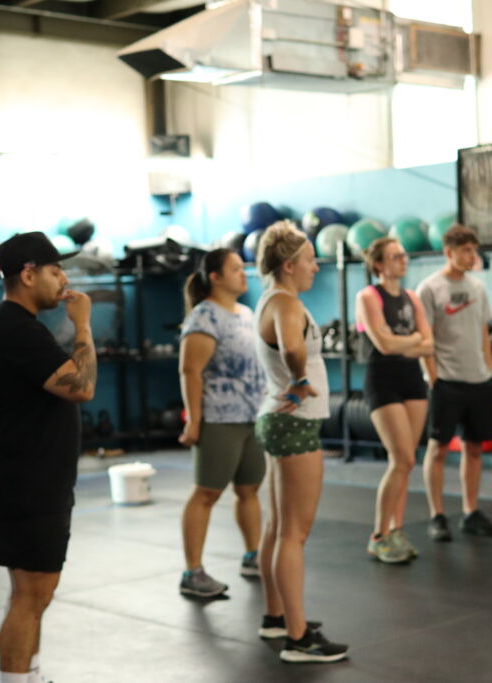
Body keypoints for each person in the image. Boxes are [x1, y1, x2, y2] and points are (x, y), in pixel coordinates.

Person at [0, 231, 96, 683]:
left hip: (37, 481)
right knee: (31, 594)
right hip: (25, 485)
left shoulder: (21, 326)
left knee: (36, 593)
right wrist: (83, 324)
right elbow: (82, 386)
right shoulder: (13, 327)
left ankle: (31, 675)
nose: (63, 279)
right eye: (54, 270)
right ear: (28, 274)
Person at [252, 221, 348, 664]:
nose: (316, 267)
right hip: (293, 424)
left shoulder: (271, 299)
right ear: (289, 265)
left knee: (277, 528)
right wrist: (300, 380)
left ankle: (276, 616)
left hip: (277, 421)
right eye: (310, 260)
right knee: (295, 534)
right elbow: (292, 347)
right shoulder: (287, 304)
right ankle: (298, 638)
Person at [177, 248, 267, 598]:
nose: (243, 273)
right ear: (214, 277)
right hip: (218, 418)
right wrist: (194, 422)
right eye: (235, 268)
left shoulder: (245, 313)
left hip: (251, 417)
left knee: (249, 490)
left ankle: (253, 555)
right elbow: (190, 371)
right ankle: (192, 572)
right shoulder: (204, 317)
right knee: (206, 494)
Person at [416, 224, 492, 541]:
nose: (471, 256)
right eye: (465, 250)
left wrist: (488, 370)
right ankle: (437, 515)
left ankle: (470, 512)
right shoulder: (429, 288)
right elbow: (424, 337)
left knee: (475, 448)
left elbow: (483, 332)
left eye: (473, 250)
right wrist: (433, 376)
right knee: (438, 449)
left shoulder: (478, 288)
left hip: (479, 379)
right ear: (448, 252)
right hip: (447, 381)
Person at [355, 237, 433, 563]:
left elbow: (429, 344)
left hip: (412, 379)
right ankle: (378, 535)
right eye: (395, 256)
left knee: (408, 461)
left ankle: (396, 529)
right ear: (378, 265)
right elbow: (383, 345)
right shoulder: (368, 296)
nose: (403, 260)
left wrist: (408, 341)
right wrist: (410, 340)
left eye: (403, 256)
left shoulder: (412, 297)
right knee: (400, 458)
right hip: (382, 380)